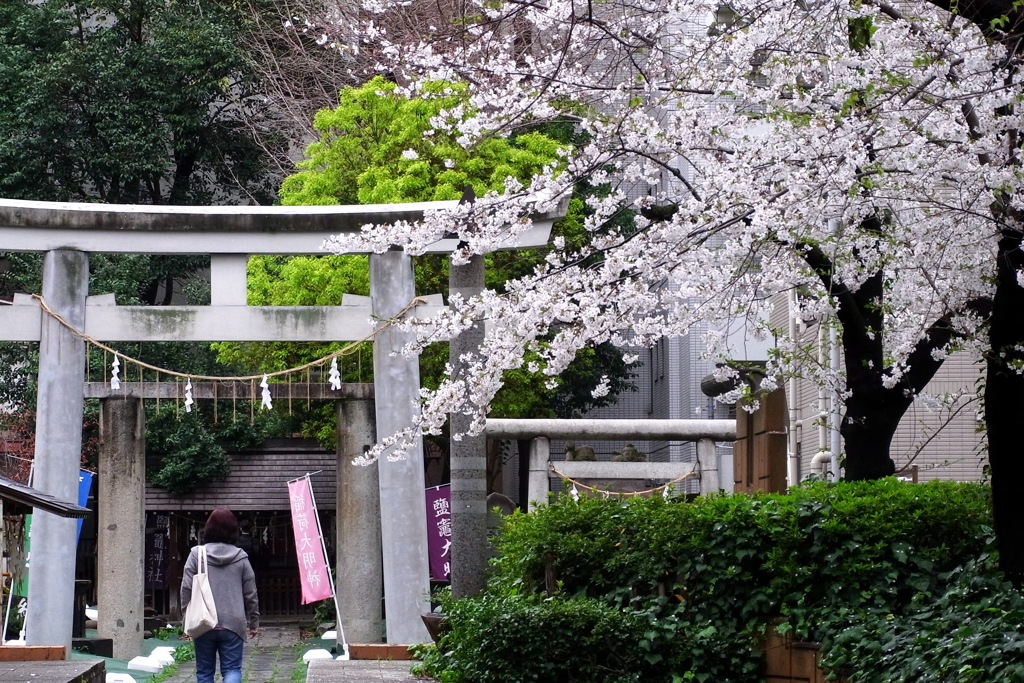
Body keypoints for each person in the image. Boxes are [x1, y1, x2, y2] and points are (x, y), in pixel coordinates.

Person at [181, 508, 260, 683]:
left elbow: (186, 588)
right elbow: (251, 593)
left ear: (208, 529)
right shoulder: (241, 557)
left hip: (203, 621)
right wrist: (254, 621)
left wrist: (186, 618)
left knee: (204, 673)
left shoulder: (196, 555)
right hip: (233, 623)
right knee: (232, 669)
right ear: (234, 530)